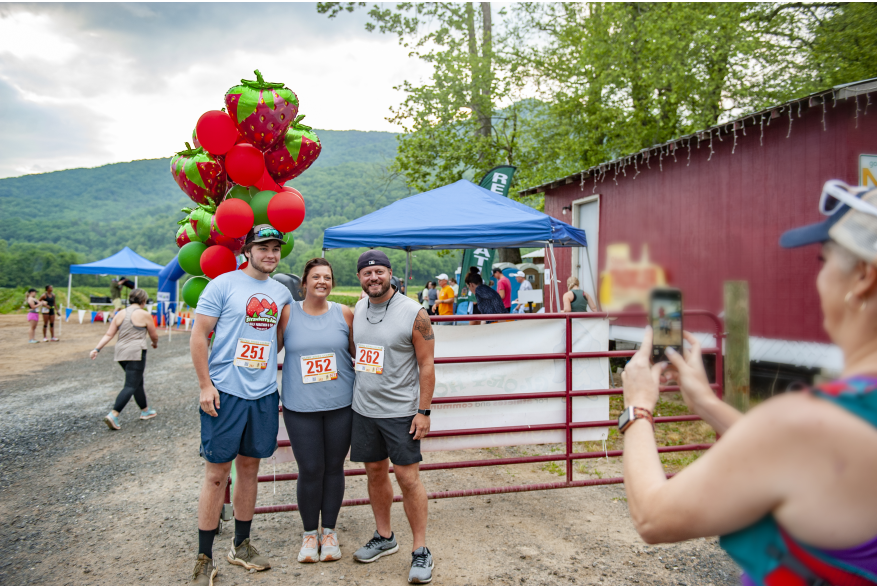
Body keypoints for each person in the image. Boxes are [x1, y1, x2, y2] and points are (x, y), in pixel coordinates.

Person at [620, 180, 877, 586]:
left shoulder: (809, 426)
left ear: (863, 276)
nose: (821, 278)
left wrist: (636, 408)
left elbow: (653, 516)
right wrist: (704, 400)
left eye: (822, 261)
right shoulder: (829, 430)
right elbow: (791, 455)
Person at [188, 225, 292, 586]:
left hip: (262, 395)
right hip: (225, 393)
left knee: (250, 469)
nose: (271, 254)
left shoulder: (281, 293)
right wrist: (205, 385)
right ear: (247, 249)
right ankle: (204, 557)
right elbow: (199, 335)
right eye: (263, 247)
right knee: (216, 475)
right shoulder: (223, 284)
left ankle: (241, 545)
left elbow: (277, 339)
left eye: (276, 248)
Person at [349, 250, 436, 584]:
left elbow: (426, 364)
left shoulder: (415, 313)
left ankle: (421, 551)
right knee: (373, 472)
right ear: (360, 278)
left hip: (401, 412)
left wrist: (423, 410)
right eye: (367, 273)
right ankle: (384, 537)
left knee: (408, 478)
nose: (374, 278)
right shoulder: (358, 308)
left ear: (390, 274)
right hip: (364, 409)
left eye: (380, 272)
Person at [277, 258, 355, 564]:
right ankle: (310, 533)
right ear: (304, 282)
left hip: (341, 405)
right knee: (310, 469)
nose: (322, 281)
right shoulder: (287, 314)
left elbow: (358, 354)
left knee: (334, 468)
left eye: (327, 277)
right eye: (316, 277)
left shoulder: (344, 314)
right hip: (300, 407)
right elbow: (271, 350)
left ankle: (330, 533)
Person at [90, 288, 159, 429]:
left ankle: (145, 410)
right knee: (130, 385)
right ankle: (113, 414)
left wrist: (97, 349)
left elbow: (109, 335)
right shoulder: (144, 314)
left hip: (120, 352)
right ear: (144, 301)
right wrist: (154, 343)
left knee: (137, 382)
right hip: (135, 352)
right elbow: (154, 334)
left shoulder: (120, 314)